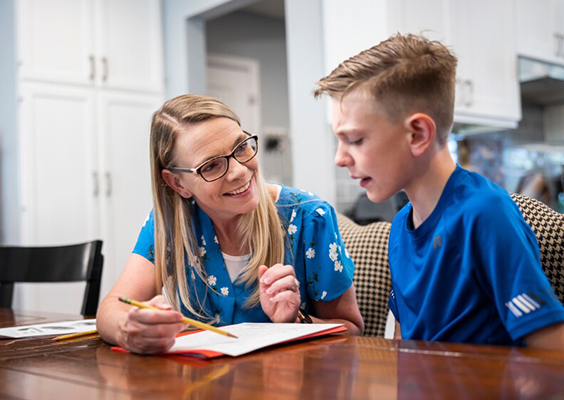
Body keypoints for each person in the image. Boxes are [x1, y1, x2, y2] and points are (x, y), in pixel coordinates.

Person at [313, 33, 564, 348]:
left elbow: (553, 351)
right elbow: (404, 345)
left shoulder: (484, 215)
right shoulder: (401, 228)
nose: (339, 158)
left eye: (356, 139)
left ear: (418, 134)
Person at [96, 94, 364, 354]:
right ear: (177, 183)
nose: (239, 171)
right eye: (211, 166)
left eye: (241, 147)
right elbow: (110, 309)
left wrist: (295, 322)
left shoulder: (309, 217)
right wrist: (129, 328)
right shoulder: (171, 223)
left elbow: (352, 330)